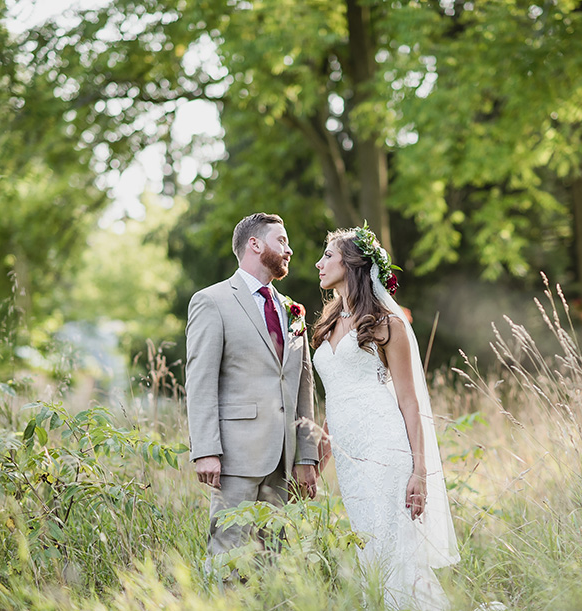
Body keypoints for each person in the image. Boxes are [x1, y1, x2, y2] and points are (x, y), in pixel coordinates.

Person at [312, 224, 460, 611]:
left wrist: (420, 472)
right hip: (349, 459)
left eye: (328, 255)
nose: (318, 263)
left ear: (353, 263)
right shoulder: (328, 322)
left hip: (385, 449)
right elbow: (335, 400)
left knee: (394, 553)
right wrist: (319, 456)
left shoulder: (387, 323)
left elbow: (411, 401)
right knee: (369, 552)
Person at [185, 212, 319, 572]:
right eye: (282, 240)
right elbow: (200, 380)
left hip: (283, 458)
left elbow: (303, 386)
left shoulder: (292, 310)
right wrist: (206, 450)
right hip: (235, 456)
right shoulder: (211, 301)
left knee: (273, 560)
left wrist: (306, 455)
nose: (289, 250)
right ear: (255, 244)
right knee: (230, 554)